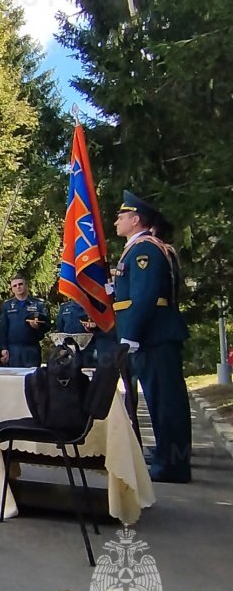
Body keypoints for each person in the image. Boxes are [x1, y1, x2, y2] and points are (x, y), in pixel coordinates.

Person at [113, 190, 191, 483]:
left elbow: (145, 296)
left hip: (153, 336)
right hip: (154, 335)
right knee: (161, 401)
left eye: (121, 216)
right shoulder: (140, 248)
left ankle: (173, 465)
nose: (116, 221)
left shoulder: (144, 249)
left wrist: (131, 335)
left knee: (165, 403)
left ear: (135, 220)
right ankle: (166, 457)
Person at [0, 275, 51, 368]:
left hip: (31, 349)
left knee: (32, 379)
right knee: (14, 380)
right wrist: (3, 348)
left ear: (26, 285)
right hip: (13, 350)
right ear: (12, 289)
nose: (18, 287)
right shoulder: (7, 306)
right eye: (15, 286)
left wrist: (38, 327)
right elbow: (2, 329)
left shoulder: (38, 304)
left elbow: (47, 325)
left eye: (20, 284)